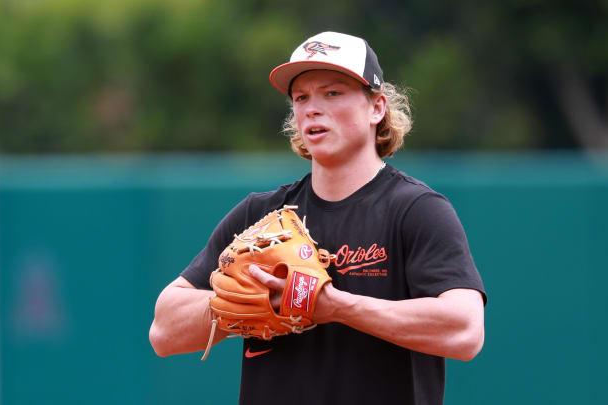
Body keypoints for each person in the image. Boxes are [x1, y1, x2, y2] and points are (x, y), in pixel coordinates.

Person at [149, 31, 486, 405]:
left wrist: (332, 306)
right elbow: (164, 330)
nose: (312, 108)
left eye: (333, 93)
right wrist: (247, 301)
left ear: (377, 108)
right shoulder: (261, 214)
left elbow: (465, 331)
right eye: (301, 97)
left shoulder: (416, 210)